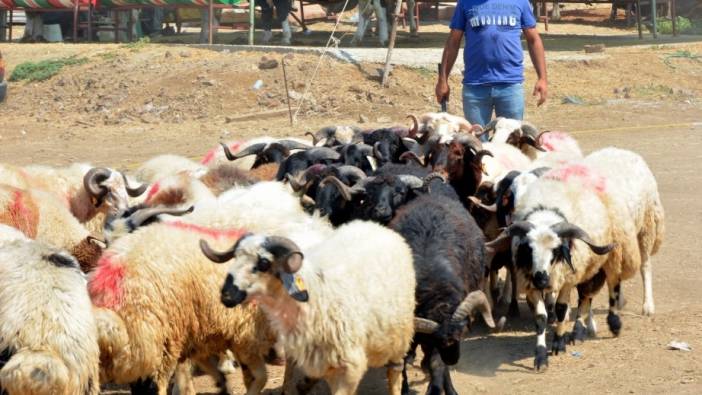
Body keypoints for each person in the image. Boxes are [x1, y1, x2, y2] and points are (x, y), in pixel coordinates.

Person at [436, 0, 548, 129]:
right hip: (475, 88)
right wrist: (442, 80)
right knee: (477, 144)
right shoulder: (465, 3)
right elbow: (453, 43)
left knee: (510, 142)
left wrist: (542, 78)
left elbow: (534, 40)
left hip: (510, 86)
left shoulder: (520, 2)